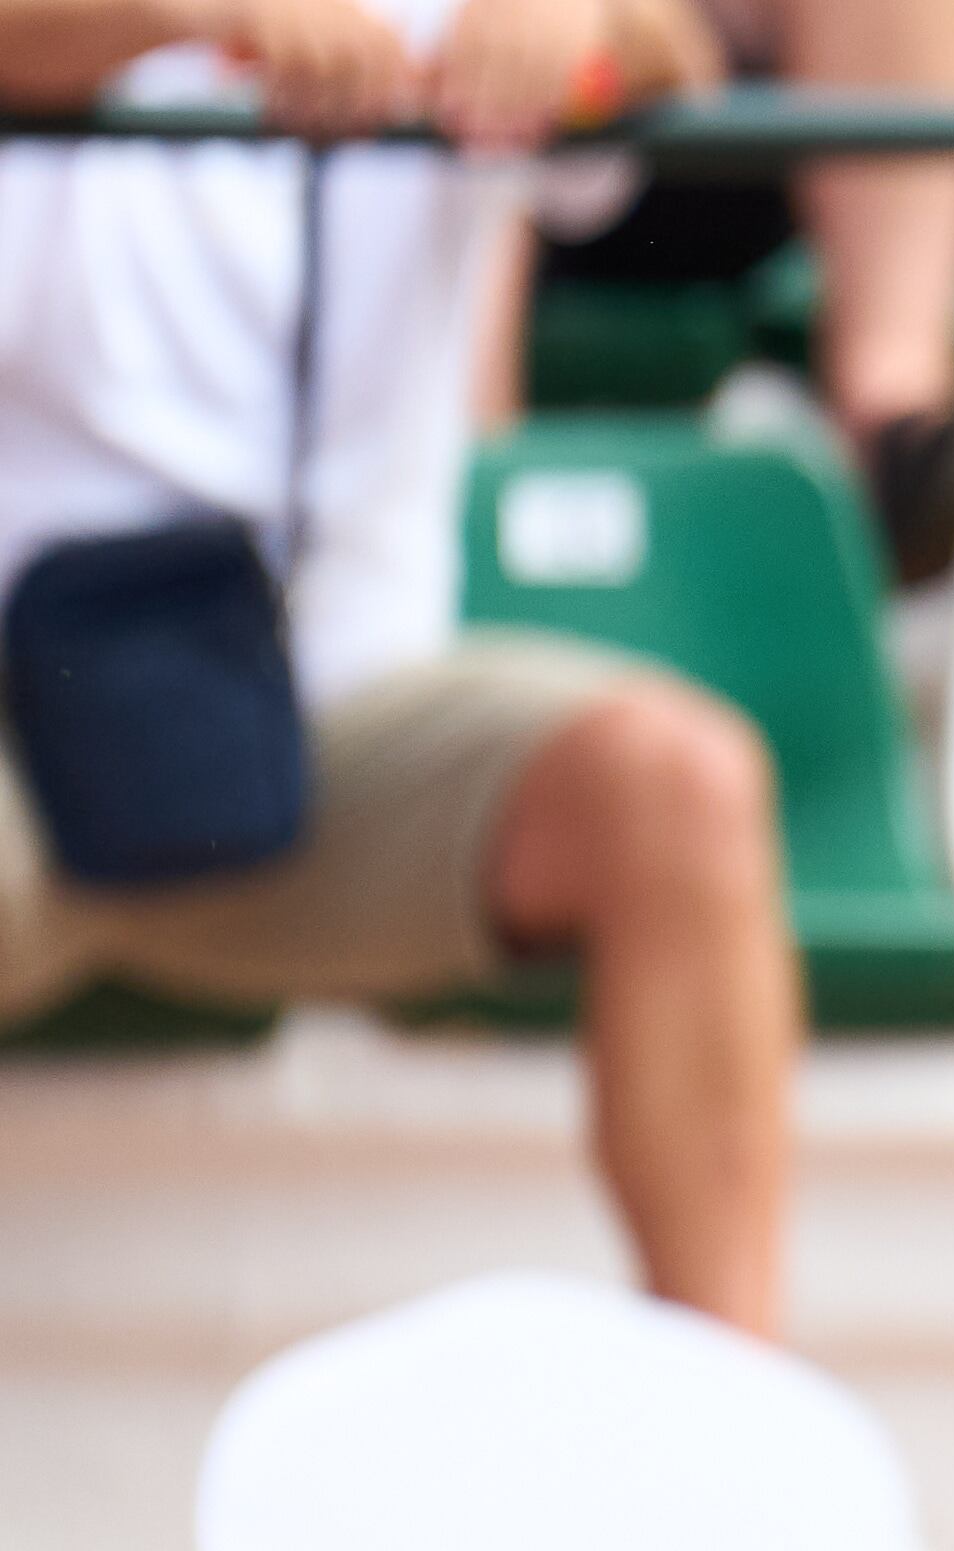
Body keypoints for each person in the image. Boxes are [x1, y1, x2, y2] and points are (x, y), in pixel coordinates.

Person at [1, 0, 800, 1335]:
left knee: (681, 788)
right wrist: (209, 15)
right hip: (24, 729)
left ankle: (738, 1415)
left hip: (341, 718)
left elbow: (677, 54)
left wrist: (571, 23)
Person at [512, 0, 954, 581]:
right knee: (488, 69)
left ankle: (905, 458)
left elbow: (673, 57)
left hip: (661, 126)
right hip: (474, 131)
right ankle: (473, 529)